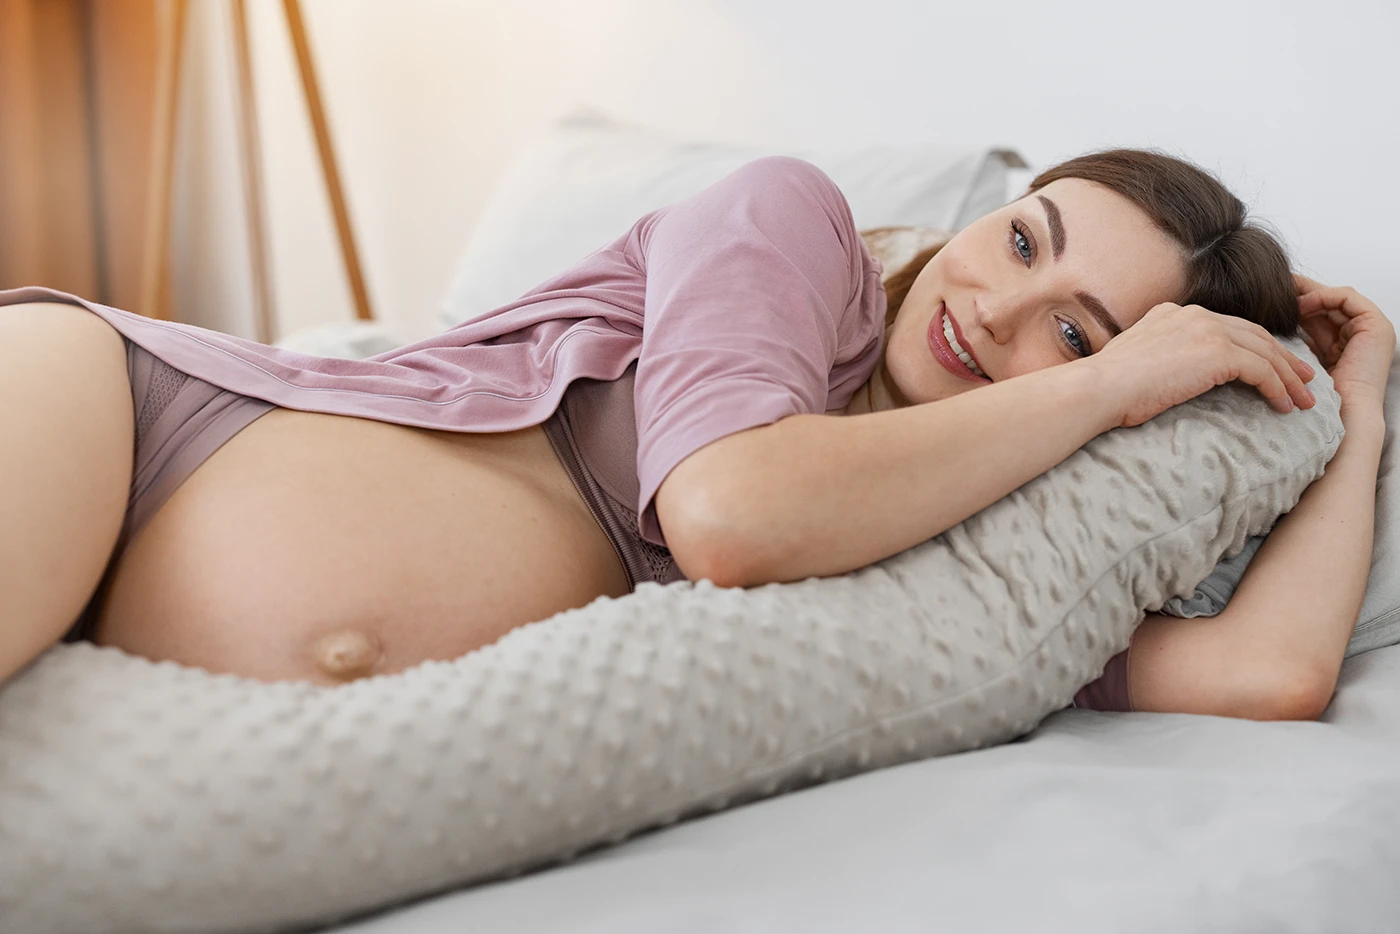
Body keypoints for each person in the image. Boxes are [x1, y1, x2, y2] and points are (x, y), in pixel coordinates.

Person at [0, 153, 1389, 724]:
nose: (996, 306)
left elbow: (1268, 675)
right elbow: (727, 510)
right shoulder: (792, 230)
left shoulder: (987, 558)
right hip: (130, 422)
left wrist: (1364, 388)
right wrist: (1094, 384)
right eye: (1021, 237)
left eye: (1078, 330)